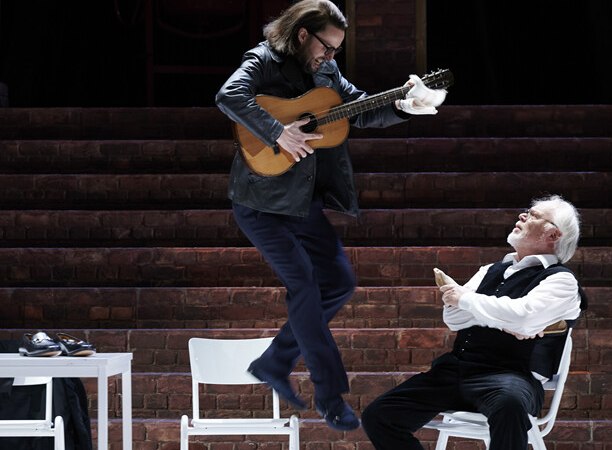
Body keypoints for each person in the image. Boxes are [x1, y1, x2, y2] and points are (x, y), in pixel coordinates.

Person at [214, 0, 446, 432]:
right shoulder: (263, 60)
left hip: (303, 204)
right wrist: (277, 130)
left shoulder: (327, 74)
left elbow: (360, 109)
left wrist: (403, 106)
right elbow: (229, 95)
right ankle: (329, 394)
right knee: (304, 284)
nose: (331, 57)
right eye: (327, 48)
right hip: (260, 205)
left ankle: (273, 361)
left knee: (339, 282)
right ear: (303, 34)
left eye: (336, 51)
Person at [362, 194, 587, 450]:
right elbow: (454, 319)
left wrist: (469, 300)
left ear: (553, 234)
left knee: (509, 406)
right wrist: (499, 317)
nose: (523, 216)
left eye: (534, 214)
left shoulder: (561, 281)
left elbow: (524, 317)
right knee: (379, 415)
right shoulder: (489, 270)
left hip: (511, 376)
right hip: (455, 371)